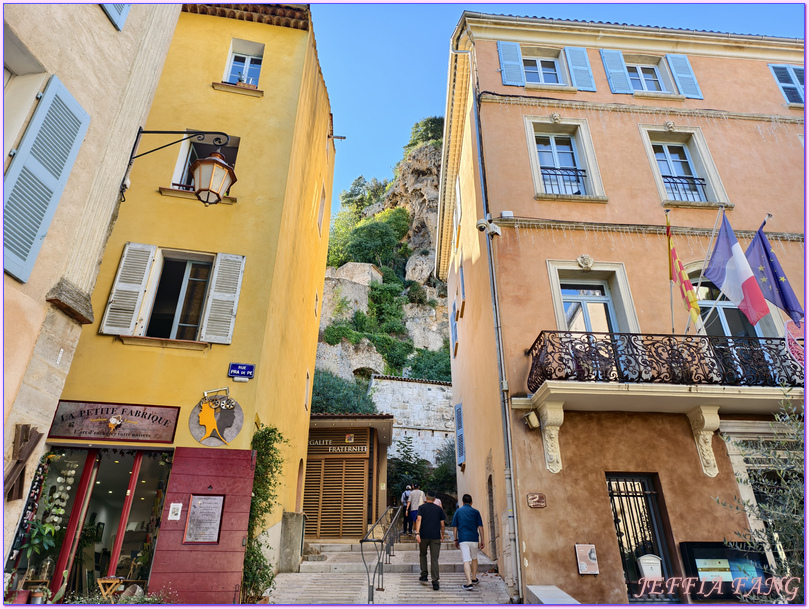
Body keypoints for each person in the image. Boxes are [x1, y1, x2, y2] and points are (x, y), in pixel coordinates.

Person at [451, 493, 485, 590]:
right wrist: (482, 540)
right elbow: (480, 527)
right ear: (471, 502)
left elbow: (454, 527)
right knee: (474, 558)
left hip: (463, 539)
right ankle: (474, 578)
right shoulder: (476, 512)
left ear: (462, 502)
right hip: (474, 539)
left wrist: (455, 539)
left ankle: (469, 583)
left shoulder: (458, 511)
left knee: (466, 559)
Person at [414, 489, 446, 590]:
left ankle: (424, 575)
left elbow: (419, 519)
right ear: (435, 499)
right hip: (435, 536)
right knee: (434, 558)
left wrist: (417, 532)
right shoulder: (439, 509)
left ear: (426, 498)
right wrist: (442, 534)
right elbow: (442, 524)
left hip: (424, 535)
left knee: (423, 554)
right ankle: (435, 581)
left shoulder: (421, 508)